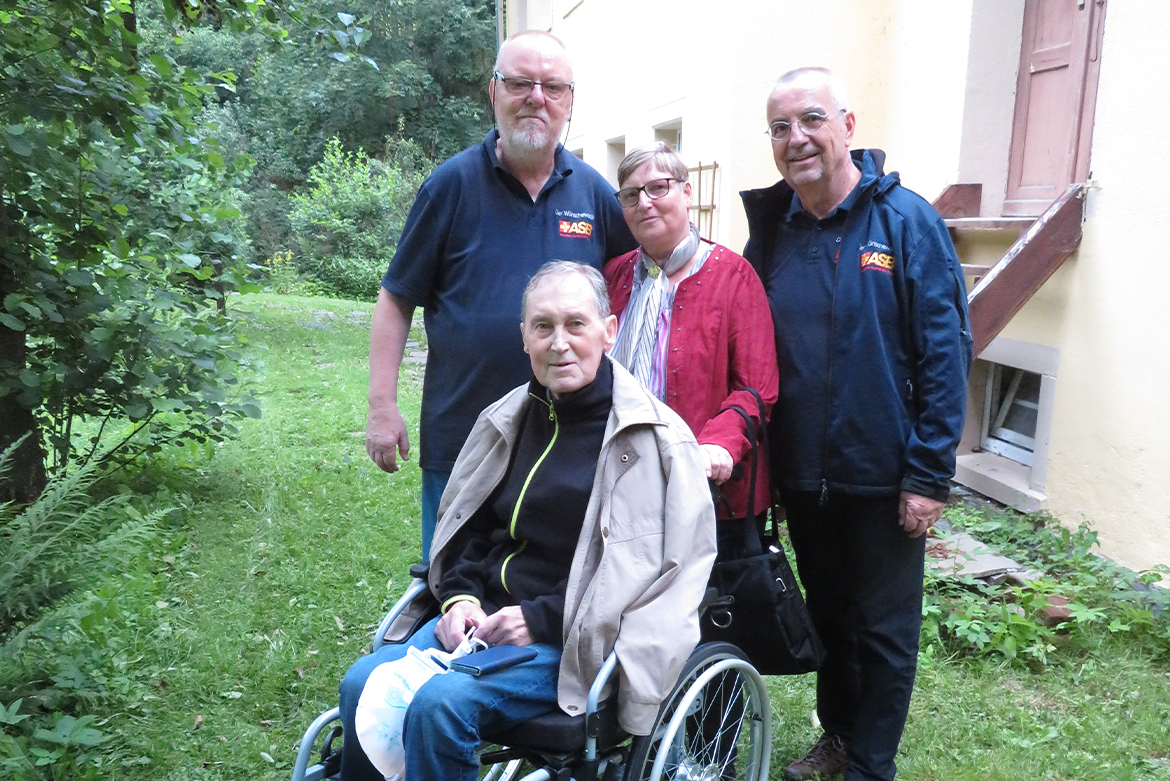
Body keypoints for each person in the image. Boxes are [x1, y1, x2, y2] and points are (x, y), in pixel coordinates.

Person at [339, 261, 717, 781]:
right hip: (480, 622)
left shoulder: (656, 442)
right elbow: (468, 529)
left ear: (608, 331)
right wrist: (459, 598)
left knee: (442, 703)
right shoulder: (505, 420)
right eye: (543, 326)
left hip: (571, 643)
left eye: (575, 324)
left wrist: (540, 619)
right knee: (362, 682)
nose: (559, 342)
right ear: (524, 338)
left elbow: (649, 575)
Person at [740, 68, 972, 781]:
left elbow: (946, 350)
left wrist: (929, 473)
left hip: (884, 473)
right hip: (805, 474)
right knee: (831, 620)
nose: (796, 139)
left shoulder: (906, 221)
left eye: (811, 119)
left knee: (885, 631)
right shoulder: (773, 233)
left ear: (847, 122)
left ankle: (873, 762)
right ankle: (839, 733)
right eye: (781, 127)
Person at [364, 31, 636, 560]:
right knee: (453, 587)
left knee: (541, 591)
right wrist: (381, 406)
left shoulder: (596, 195)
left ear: (569, 102)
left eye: (553, 86)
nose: (537, 97)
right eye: (520, 83)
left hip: (567, 444)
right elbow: (396, 299)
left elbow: (637, 291)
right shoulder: (450, 187)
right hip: (464, 438)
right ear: (494, 92)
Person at [604, 142, 779, 533]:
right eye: (631, 195)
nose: (644, 203)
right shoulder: (613, 277)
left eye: (658, 187)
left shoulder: (733, 276)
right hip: (622, 483)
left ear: (687, 192)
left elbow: (757, 389)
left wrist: (718, 445)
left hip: (709, 487)